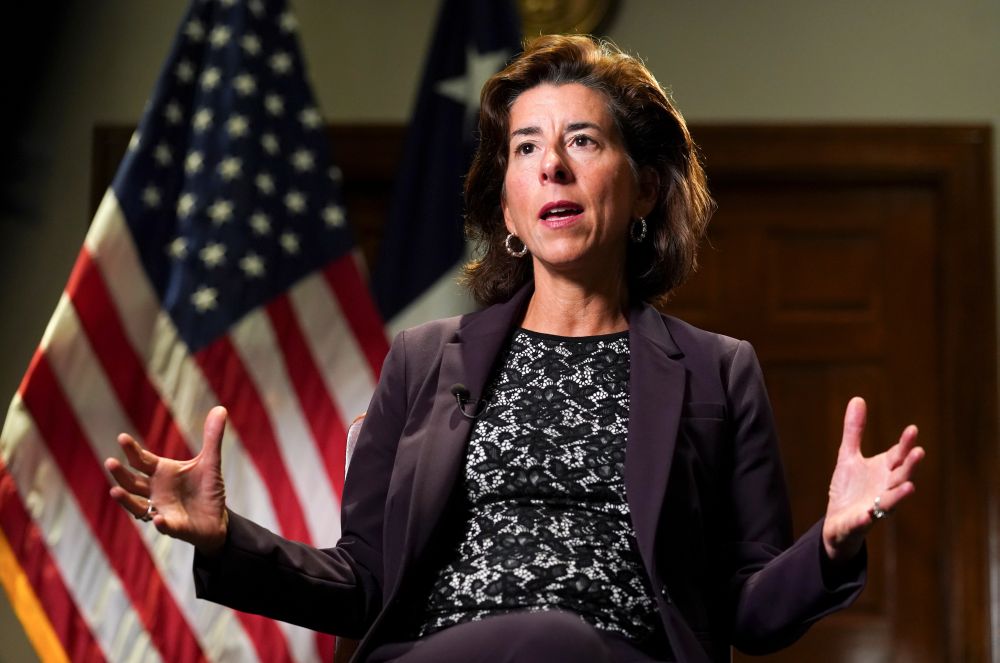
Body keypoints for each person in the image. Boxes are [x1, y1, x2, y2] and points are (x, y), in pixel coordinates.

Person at [105, 35, 924, 663]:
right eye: (526, 148)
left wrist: (829, 542)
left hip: (619, 657)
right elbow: (363, 581)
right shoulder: (424, 360)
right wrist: (224, 537)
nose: (552, 167)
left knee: (555, 644)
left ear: (641, 188)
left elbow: (747, 609)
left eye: (583, 142)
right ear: (507, 201)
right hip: (442, 653)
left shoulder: (719, 370)